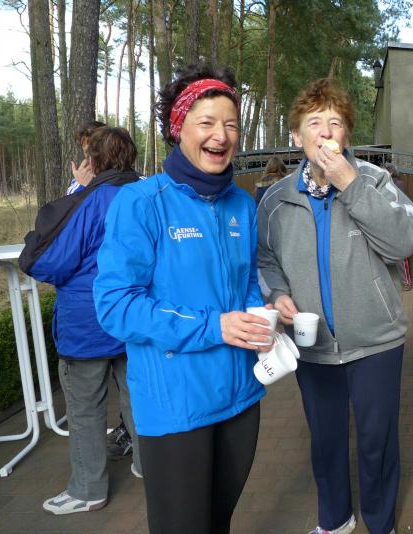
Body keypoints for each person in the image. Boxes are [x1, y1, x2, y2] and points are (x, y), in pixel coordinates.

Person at [93, 63, 274, 534]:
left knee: (218, 522)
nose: (221, 135)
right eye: (206, 122)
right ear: (179, 129)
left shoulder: (242, 205)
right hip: (176, 405)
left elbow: (245, 283)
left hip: (240, 398)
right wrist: (215, 326)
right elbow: (115, 305)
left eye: (231, 124)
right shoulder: (141, 203)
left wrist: (263, 315)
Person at [258, 78, 413, 534]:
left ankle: (381, 523)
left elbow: (405, 242)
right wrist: (276, 293)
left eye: (335, 122)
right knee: (326, 441)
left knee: (377, 442)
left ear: (346, 134)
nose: (326, 132)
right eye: (315, 123)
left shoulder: (374, 180)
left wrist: (350, 184)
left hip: (376, 340)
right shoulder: (276, 200)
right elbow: (265, 260)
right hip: (312, 346)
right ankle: (335, 520)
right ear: (297, 137)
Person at [19, 127, 143, 515]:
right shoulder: (147, 197)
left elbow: (46, 262)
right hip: (136, 317)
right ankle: (150, 465)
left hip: (88, 323)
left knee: (86, 406)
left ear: (94, 161)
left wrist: (77, 191)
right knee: (137, 396)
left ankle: (88, 489)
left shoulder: (86, 203)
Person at [383, 162, 413, 291]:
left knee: (401, 255)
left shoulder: (398, 184)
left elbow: (400, 203)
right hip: (385, 223)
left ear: (391, 172)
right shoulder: (382, 183)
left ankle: (406, 283)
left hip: (398, 222)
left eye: (384, 170)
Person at [67, 120, 107, 195]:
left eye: (95, 151)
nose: (91, 157)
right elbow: (70, 201)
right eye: (87, 152)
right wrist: (81, 185)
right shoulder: (81, 178)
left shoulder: (119, 177)